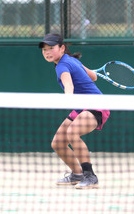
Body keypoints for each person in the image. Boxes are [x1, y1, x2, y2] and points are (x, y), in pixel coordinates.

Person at [38, 33, 110, 189]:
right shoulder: (72, 61)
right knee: (58, 143)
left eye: (51, 48)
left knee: (72, 133)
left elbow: (68, 84)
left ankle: (90, 177)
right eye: (44, 50)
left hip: (95, 105)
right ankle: (77, 174)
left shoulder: (63, 66)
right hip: (80, 108)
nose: (47, 52)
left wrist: (68, 97)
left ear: (62, 48)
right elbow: (93, 77)